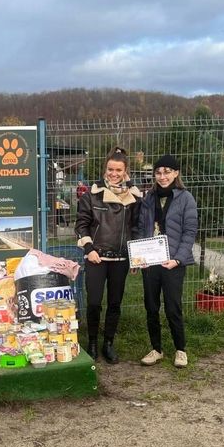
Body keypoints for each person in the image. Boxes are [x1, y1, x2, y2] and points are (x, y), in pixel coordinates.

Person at [75, 146, 142, 364]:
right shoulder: (91, 196)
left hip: (121, 259)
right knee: (94, 302)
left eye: (118, 170)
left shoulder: (134, 197)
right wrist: (89, 249)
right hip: (97, 258)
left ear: (125, 171)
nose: (114, 173)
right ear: (105, 169)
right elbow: (81, 225)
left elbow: (136, 228)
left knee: (115, 303)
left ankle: (108, 343)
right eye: (110, 169)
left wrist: (135, 257)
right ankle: (92, 342)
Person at [138, 154, 198, 368]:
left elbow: (190, 232)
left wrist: (178, 259)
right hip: (150, 264)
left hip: (173, 264)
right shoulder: (148, 198)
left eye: (167, 172)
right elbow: (141, 229)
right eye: (158, 172)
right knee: (151, 307)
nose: (162, 176)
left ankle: (180, 350)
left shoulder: (185, 198)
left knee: (173, 307)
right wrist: (139, 258)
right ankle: (156, 349)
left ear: (175, 173)